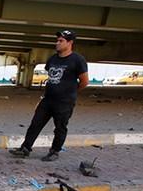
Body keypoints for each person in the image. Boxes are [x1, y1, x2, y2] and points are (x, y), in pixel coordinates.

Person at [9, 29, 89, 161]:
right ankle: (25, 148)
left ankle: (54, 151)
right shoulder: (53, 59)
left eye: (61, 41)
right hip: (48, 99)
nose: (57, 43)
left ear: (70, 43)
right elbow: (51, 78)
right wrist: (42, 98)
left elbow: (84, 82)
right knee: (36, 123)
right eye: (57, 40)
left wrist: (70, 92)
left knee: (60, 127)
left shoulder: (77, 60)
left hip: (64, 102)